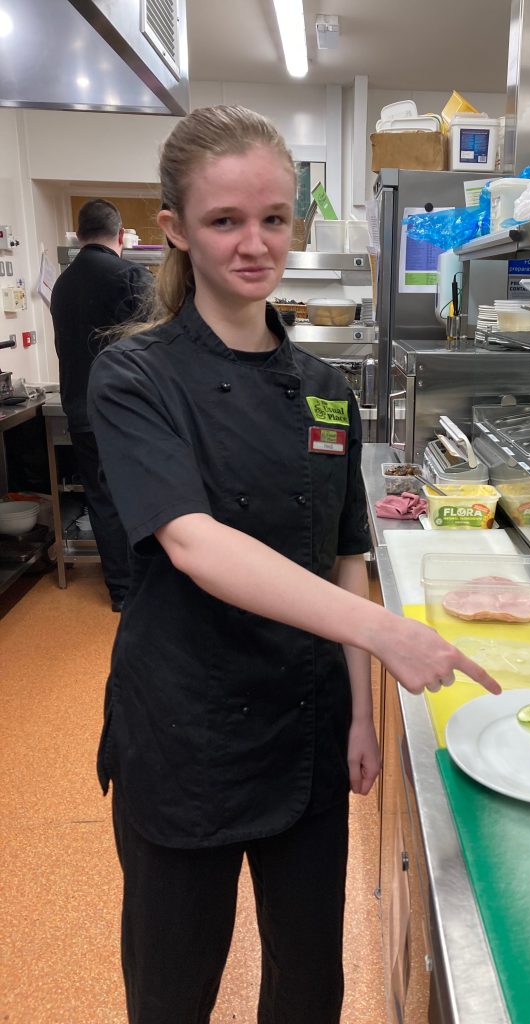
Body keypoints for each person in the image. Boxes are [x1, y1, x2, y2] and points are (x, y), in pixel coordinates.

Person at [86, 104, 500, 1024]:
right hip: (184, 731)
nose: (253, 243)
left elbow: (345, 553)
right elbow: (193, 541)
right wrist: (386, 634)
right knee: (172, 986)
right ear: (176, 231)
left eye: (273, 218)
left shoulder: (326, 391)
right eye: (225, 221)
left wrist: (361, 713)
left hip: (307, 731)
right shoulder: (134, 377)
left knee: (311, 986)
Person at [50, 198, 154, 611]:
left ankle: (123, 593)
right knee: (144, 496)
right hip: (128, 411)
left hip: (81, 409)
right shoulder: (130, 275)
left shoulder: (62, 283)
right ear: (122, 234)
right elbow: (157, 344)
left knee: (103, 500)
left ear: (78, 235)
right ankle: (151, 590)